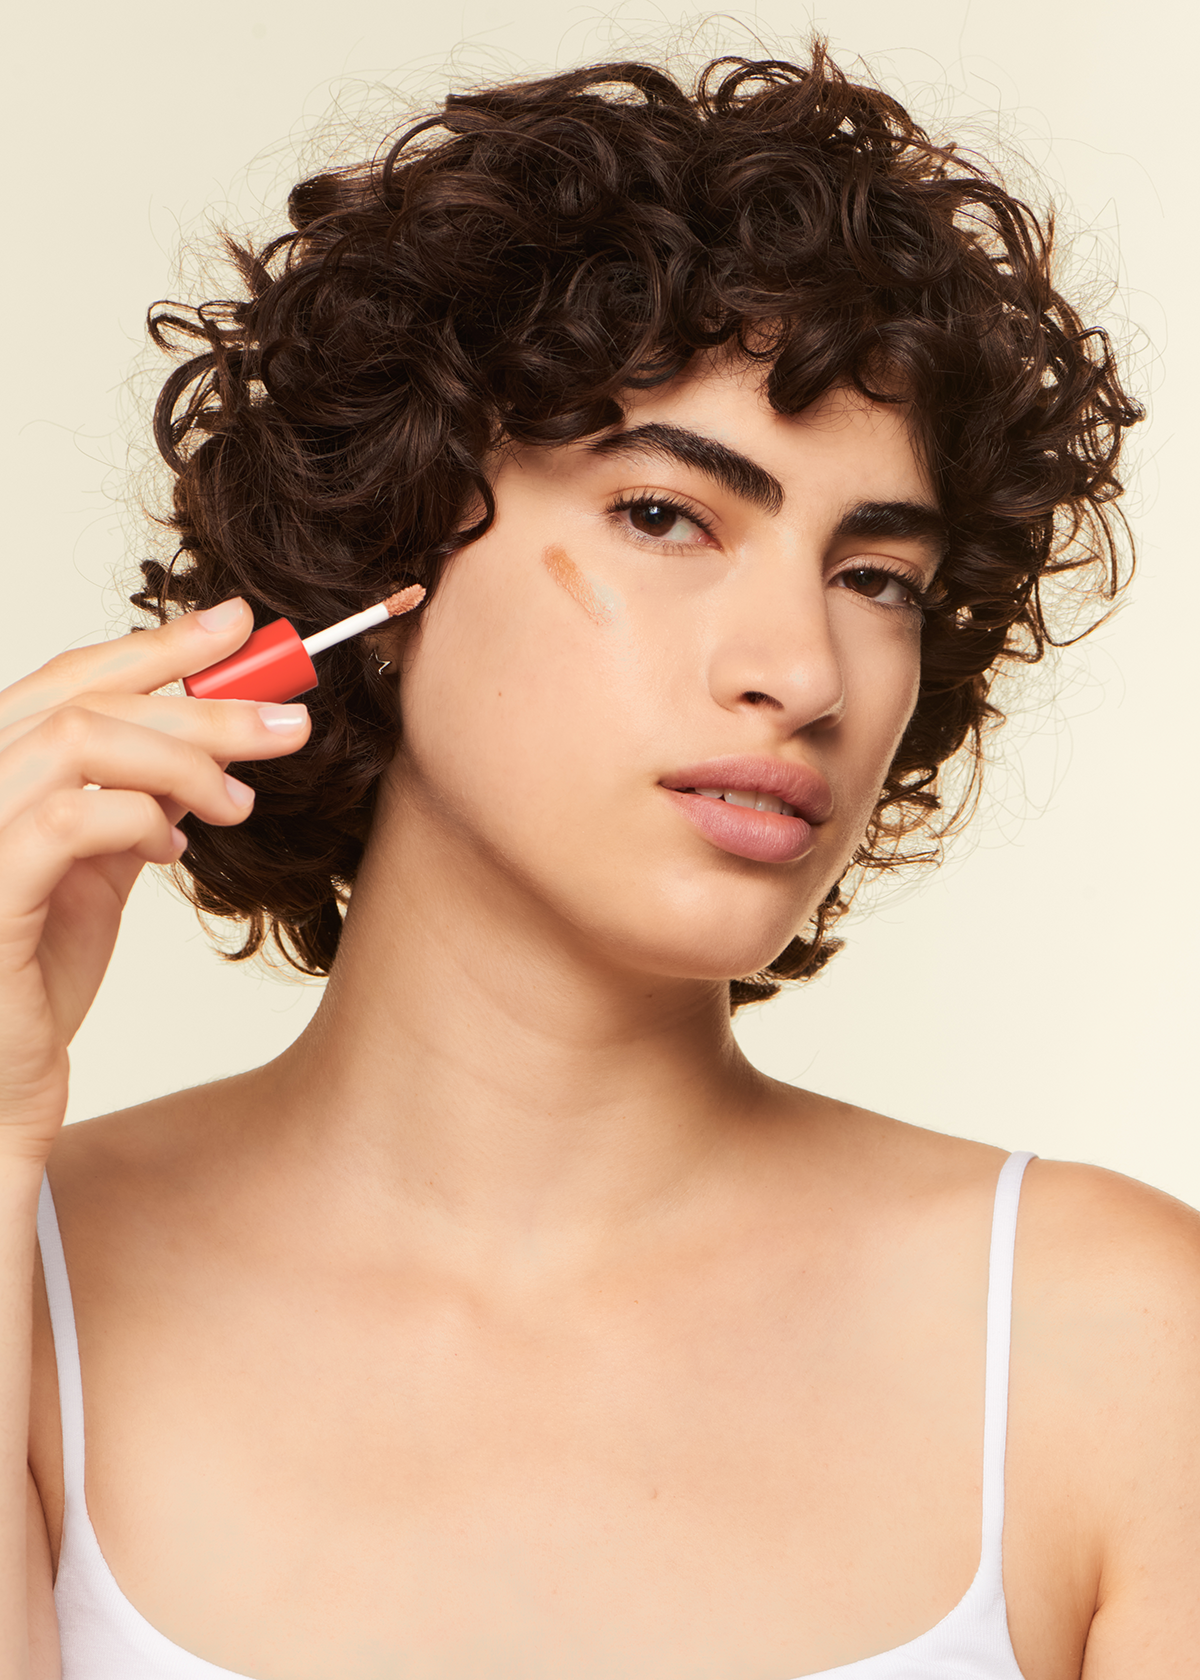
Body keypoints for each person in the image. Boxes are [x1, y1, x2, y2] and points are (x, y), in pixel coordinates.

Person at [3, 41, 1196, 1680]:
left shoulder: (1110, 1344)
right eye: (664, 516)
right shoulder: (35, 1287)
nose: (801, 672)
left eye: (876, 578)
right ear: (387, 557)